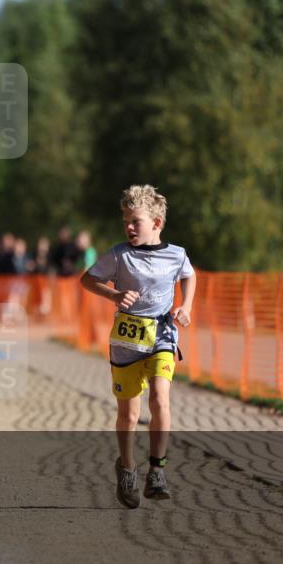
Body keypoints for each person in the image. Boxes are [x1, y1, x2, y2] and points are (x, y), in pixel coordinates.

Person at [80, 185, 196, 509]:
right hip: (127, 341)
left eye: (136, 221)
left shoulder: (177, 254)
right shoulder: (119, 255)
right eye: (126, 221)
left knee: (160, 398)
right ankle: (128, 467)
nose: (129, 227)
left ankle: (157, 469)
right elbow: (87, 280)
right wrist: (114, 296)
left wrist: (185, 306)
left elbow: (189, 276)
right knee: (129, 414)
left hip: (161, 335)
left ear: (157, 223)